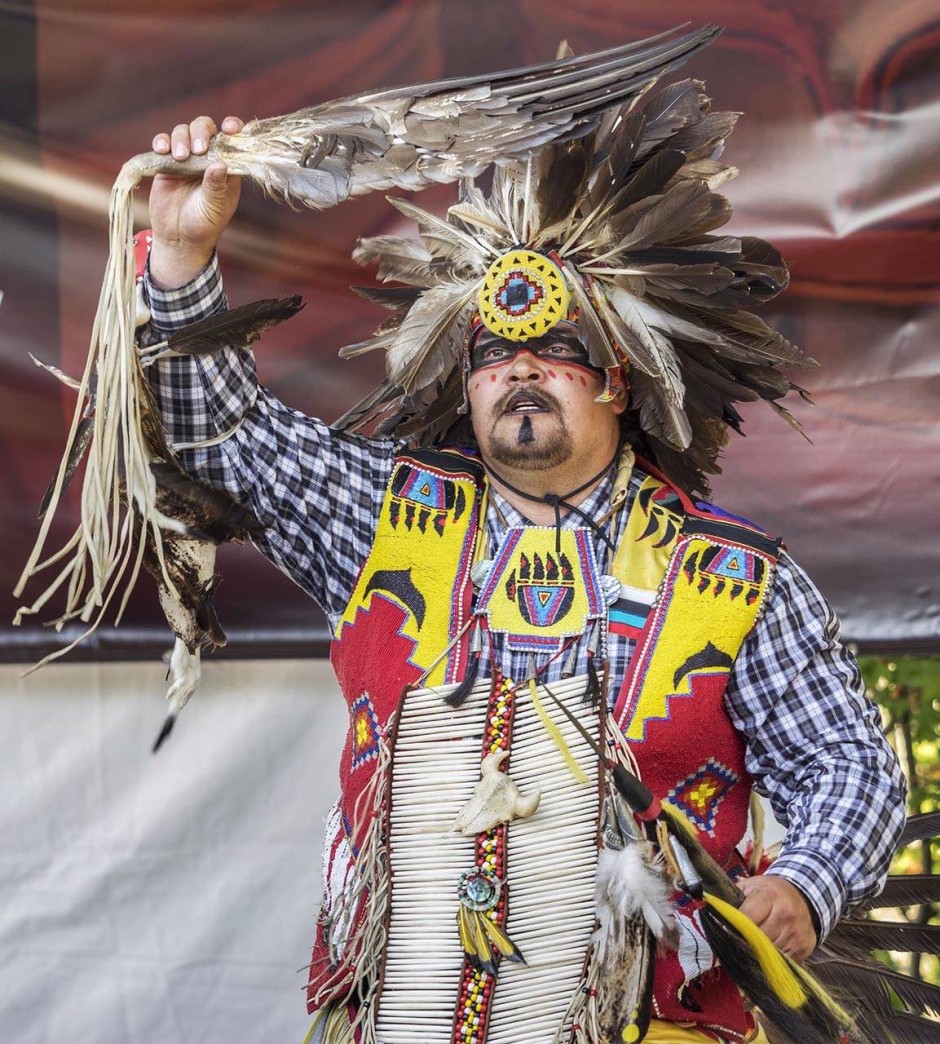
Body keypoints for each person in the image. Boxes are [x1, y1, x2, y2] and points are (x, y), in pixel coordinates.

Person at [139, 100, 906, 1044]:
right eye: (493, 355)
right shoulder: (387, 519)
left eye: (558, 350)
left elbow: (847, 766)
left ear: (619, 380)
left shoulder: (736, 577)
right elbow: (223, 435)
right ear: (466, 386)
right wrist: (179, 261)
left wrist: (803, 882)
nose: (520, 369)